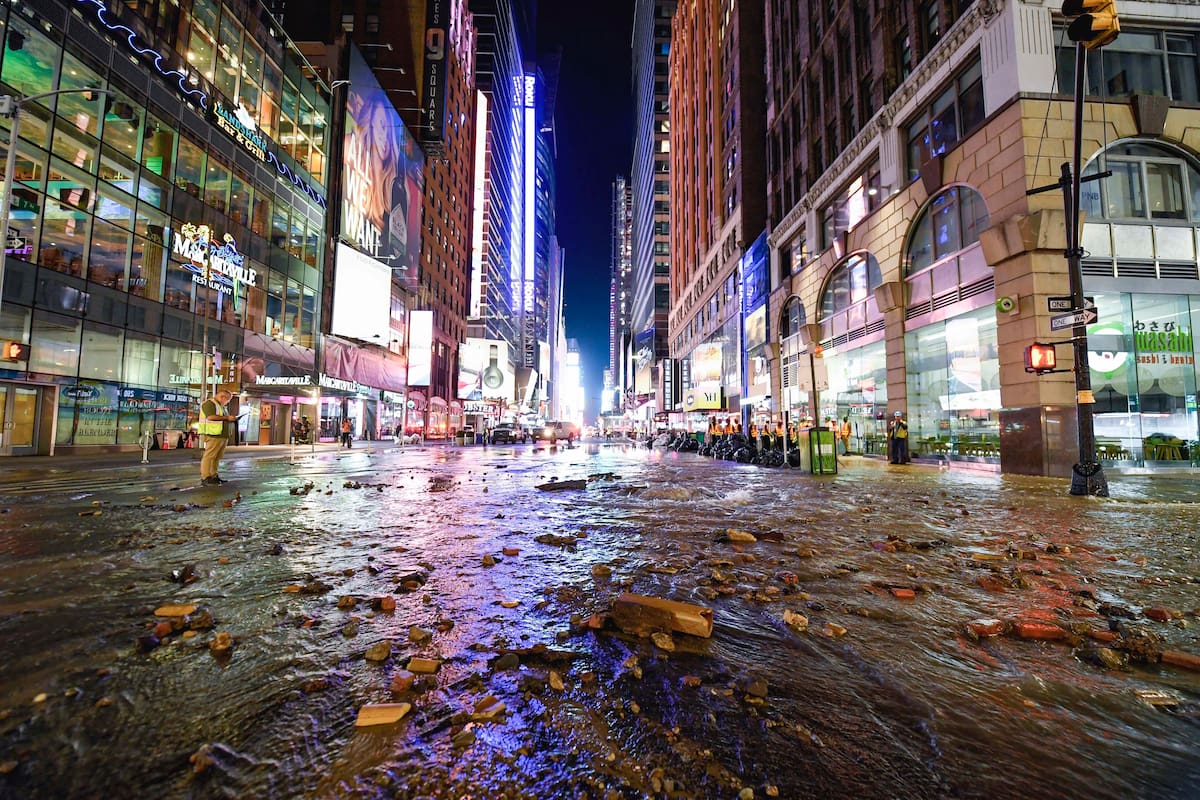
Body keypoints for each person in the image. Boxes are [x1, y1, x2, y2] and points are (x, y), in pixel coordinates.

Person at [198, 389, 236, 485]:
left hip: (221, 435)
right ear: (223, 397)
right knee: (210, 456)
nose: (227, 402)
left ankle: (213, 475)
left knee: (217, 457)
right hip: (213, 434)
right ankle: (206, 476)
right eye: (228, 400)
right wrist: (227, 418)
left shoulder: (221, 406)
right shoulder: (209, 404)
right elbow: (210, 417)